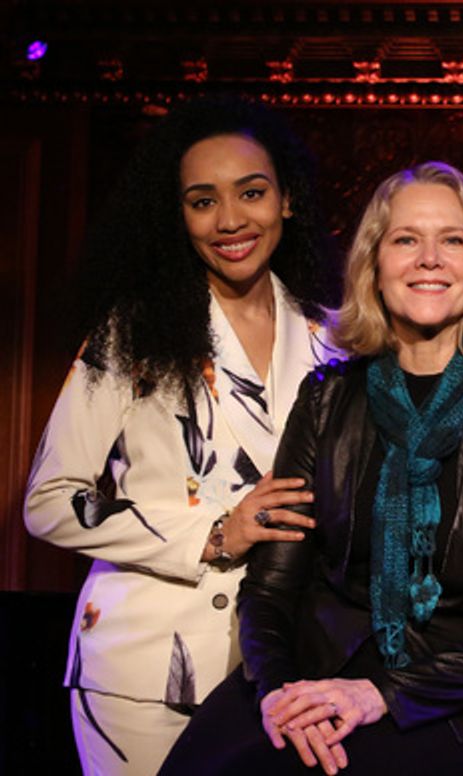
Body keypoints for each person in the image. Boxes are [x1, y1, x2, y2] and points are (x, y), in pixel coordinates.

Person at [160, 161, 463, 776]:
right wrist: (279, 692)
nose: (429, 259)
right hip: (305, 677)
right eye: (406, 240)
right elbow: (272, 589)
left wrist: (378, 694)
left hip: (438, 699)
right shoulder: (327, 398)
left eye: (452, 240)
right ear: (375, 266)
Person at [23, 98, 341, 775]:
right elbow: (51, 500)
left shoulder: (335, 338)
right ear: (180, 216)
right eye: (203, 201)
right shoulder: (130, 334)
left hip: (289, 674)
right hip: (145, 673)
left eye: (251, 193)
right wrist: (215, 530)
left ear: (287, 200)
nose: (229, 220)